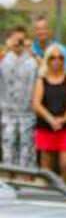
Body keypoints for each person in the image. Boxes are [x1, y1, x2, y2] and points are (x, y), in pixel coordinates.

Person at [32, 44, 66, 185]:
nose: (56, 61)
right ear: (47, 60)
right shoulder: (41, 80)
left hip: (65, 126)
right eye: (52, 58)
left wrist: (63, 119)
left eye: (60, 58)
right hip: (45, 126)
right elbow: (36, 104)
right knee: (46, 165)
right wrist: (50, 119)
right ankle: (48, 193)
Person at [0, 24, 39, 169]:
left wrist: (34, 54)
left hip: (27, 114)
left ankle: (26, 184)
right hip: (7, 114)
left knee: (26, 153)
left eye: (21, 40)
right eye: (15, 40)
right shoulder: (3, 60)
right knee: (8, 151)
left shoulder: (32, 63)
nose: (18, 43)